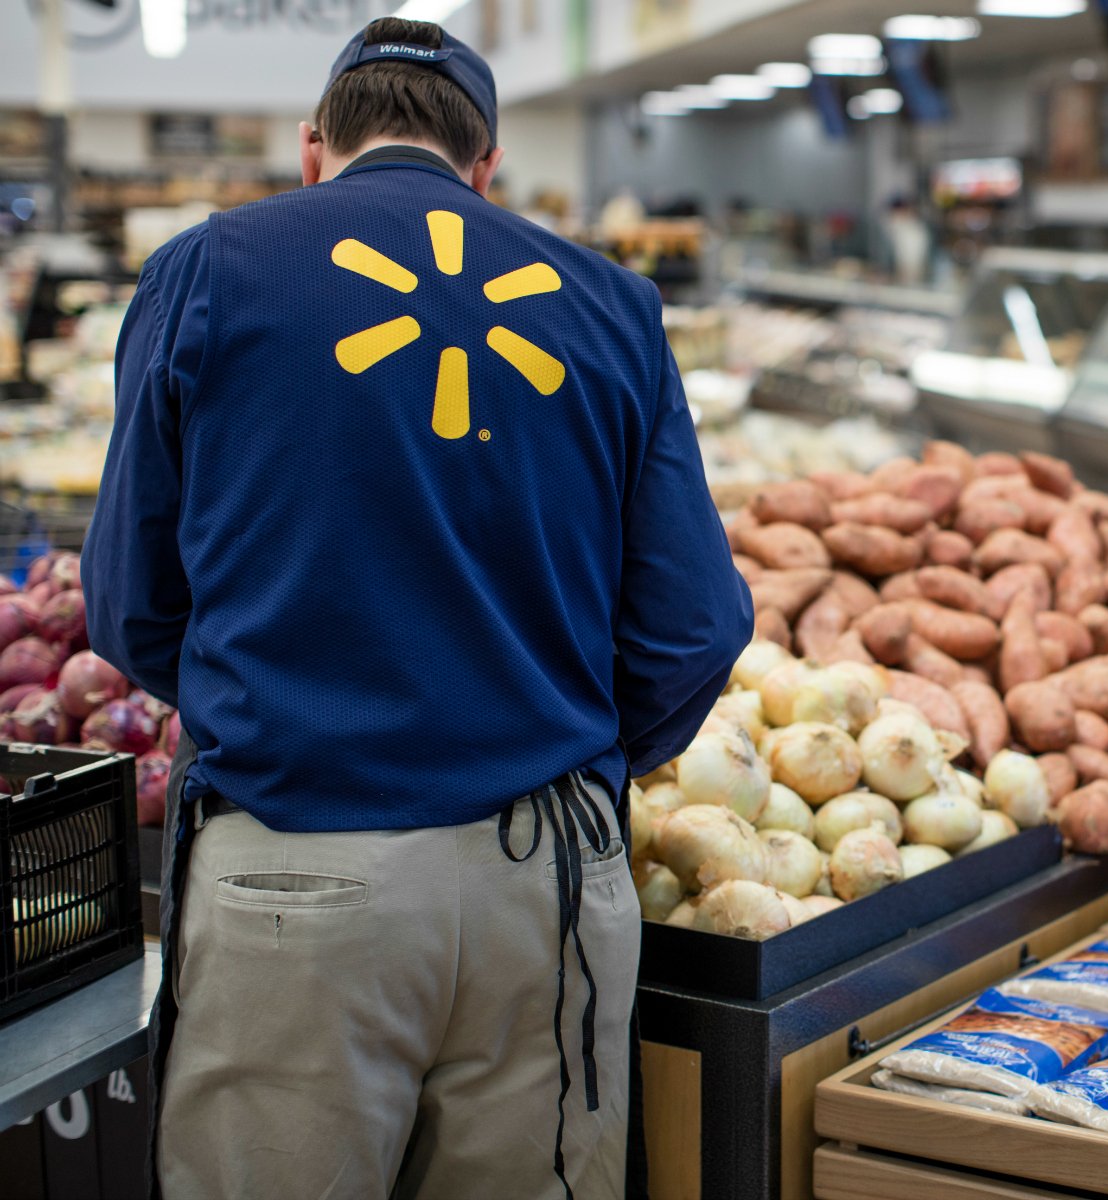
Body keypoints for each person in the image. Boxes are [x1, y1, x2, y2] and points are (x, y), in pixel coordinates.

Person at [82, 17, 751, 1200]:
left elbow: (130, 606)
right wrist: (562, 746)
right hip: (543, 893)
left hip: (296, 878)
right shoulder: (614, 306)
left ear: (312, 150)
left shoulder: (207, 271)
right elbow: (694, 628)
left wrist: (289, 707)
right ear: (483, 167)